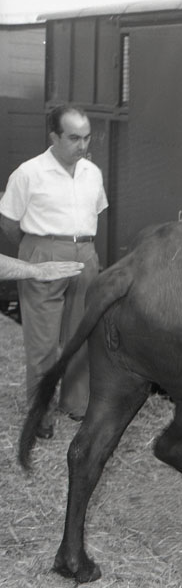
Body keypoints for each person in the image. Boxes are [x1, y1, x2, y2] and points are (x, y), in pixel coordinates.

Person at [0, 104, 108, 439]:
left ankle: (76, 404)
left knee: (81, 335)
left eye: (86, 137)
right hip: (43, 252)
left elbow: (95, 214)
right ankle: (41, 414)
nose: (82, 145)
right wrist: (35, 251)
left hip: (85, 254)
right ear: (54, 137)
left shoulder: (92, 172)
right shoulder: (28, 173)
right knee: (43, 343)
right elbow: (8, 223)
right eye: (74, 138)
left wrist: (82, 251)